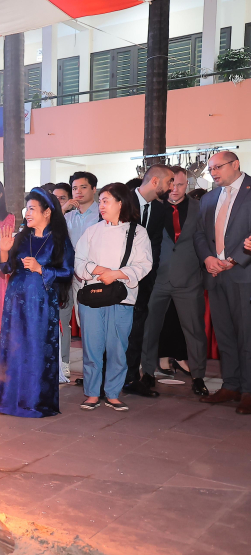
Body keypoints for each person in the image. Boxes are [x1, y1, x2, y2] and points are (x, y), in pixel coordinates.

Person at [0, 189, 74, 418]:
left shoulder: (59, 240)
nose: (27, 213)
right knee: (14, 347)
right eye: (26, 209)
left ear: (47, 212)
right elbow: (6, 269)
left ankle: (34, 401)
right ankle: (9, 400)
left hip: (41, 304)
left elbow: (67, 271)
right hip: (15, 304)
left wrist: (41, 269)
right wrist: (4, 251)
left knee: (37, 348)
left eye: (32, 209)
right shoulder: (22, 237)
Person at [76, 183, 153, 411]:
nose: (101, 205)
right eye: (100, 201)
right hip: (93, 296)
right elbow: (79, 261)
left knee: (118, 347)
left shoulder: (138, 232)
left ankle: (112, 393)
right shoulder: (92, 231)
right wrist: (98, 270)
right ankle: (91, 393)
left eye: (106, 200)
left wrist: (117, 274)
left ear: (121, 203)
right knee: (92, 347)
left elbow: (144, 264)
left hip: (122, 296)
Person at [133, 166, 208, 397]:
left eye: (181, 185)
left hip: (189, 279)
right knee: (150, 329)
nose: (174, 189)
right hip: (156, 278)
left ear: (188, 186)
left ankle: (198, 376)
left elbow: (204, 241)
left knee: (194, 330)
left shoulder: (199, 208)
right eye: (172, 184)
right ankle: (147, 374)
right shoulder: (154, 207)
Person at [199, 152, 251, 413]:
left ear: (235, 164)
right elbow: (199, 234)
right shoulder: (209, 198)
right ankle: (230, 384)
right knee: (225, 334)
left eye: (218, 167)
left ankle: (248, 390)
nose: (214, 172)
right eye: (211, 169)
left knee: (247, 335)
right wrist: (208, 258)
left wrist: (235, 259)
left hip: (243, 273)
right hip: (215, 275)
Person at [123, 165, 174, 395]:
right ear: (155, 181)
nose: (172, 187)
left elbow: (155, 245)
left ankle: (131, 378)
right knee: (112, 329)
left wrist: (148, 276)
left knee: (136, 329)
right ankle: (103, 378)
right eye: (170, 182)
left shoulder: (161, 210)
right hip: (116, 277)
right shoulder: (121, 199)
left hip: (143, 280)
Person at [61, 172, 101, 379]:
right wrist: (62, 210)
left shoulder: (102, 214)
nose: (78, 191)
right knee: (74, 324)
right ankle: (78, 368)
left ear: (94, 189)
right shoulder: (67, 217)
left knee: (94, 327)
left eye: (83, 187)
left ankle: (95, 371)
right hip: (71, 277)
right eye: (75, 188)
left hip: (96, 278)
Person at [0, 177, 14, 335]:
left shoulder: (8, 217)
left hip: (1, 265)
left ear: (0, 194)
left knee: (0, 302)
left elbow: (2, 238)